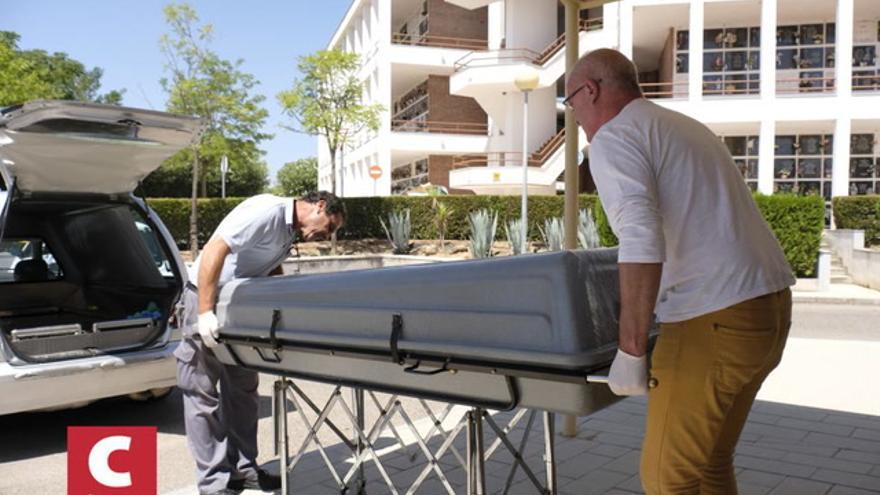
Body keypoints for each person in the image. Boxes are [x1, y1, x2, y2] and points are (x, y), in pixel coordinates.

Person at [564, 49, 794, 494]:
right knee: (708, 464)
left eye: (571, 104)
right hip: (767, 311)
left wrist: (630, 350)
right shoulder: (683, 126)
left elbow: (640, 236)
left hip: (712, 318)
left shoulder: (614, 137)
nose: (574, 118)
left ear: (590, 90)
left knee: (667, 477)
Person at [175, 191, 345, 495]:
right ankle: (214, 484)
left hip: (238, 308)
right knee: (202, 395)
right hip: (206, 298)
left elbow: (268, 269)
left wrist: (276, 308)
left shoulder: (289, 231)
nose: (326, 234)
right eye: (330, 226)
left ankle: (243, 469)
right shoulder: (267, 212)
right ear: (320, 206)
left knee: (243, 391)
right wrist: (204, 312)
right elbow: (216, 249)